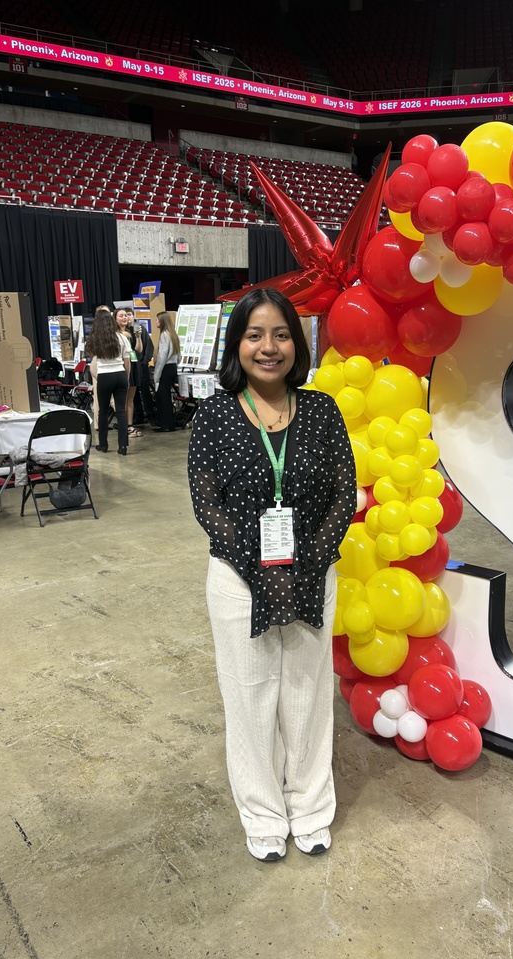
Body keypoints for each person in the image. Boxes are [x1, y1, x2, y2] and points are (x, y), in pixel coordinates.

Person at [187, 287, 357, 863]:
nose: (269, 346)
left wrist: (311, 557)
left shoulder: (321, 410)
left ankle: (310, 808)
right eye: (255, 334)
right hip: (238, 578)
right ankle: (263, 816)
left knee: (308, 694)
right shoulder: (213, 416)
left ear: (297, 343)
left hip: (311, 571)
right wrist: (259, 571)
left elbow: (342, 491)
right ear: (238, 343)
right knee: (250, 696)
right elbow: (206, 501)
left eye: (281, 334)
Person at [90, 310, 130, 455]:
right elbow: (127, 361)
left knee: (103, 411)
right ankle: (123, 446)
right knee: (121, 411)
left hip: (104, 376)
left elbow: (92, 358)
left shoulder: (95, 340)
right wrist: (126, 377)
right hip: (120, 375)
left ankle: (103, 444)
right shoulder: (121, 338)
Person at [114, 308, 143, 438]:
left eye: (126, 315)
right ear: (115, 319)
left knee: (131, 399)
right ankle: (123, 425)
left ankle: (130, 425)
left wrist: (138, 337)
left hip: (133, 364)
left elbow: (138, 349)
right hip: (121, 365)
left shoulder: (131, 331)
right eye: (121, 316)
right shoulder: (114, 333)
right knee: (122, 398)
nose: (125, 318)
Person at [153, 311, 180, 433]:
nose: (156, 322)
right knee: (166, 397)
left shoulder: (164, 335)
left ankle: (166, 425)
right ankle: (169, 424)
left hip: (165, 368)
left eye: (157, 320)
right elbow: (179, 355)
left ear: (162, 321)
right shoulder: (173, 334)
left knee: (163, 398)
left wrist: (156, 374)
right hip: (173, 367)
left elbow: (162, 356)